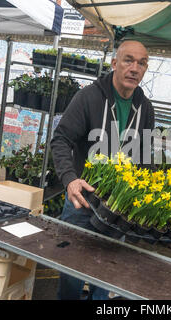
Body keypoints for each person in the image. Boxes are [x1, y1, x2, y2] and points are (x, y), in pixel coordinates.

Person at [50, 40, 154, 300]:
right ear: (114, 63)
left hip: (118, 208)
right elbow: (61, 139)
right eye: (128, 60)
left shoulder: (145, 108)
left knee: (106, 272)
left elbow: (144, 157)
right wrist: (70, 180)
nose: (135, 68)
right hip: (82, 200)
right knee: (72, 270)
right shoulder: (89, 97)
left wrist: (145, 200)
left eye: (141, 63)